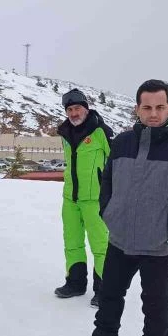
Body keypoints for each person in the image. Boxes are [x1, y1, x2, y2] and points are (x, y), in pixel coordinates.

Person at [68, 80, 168, 336]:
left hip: (160, 245)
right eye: (147, 107)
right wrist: (109, 212)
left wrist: (166, 226)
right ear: (137, 109)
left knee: (154, 304)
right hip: (120, 238)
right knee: (109, 295)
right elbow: (106, 180)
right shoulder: (122, 142)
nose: (153, 113)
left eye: (159, 107)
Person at [55, 89, 114, 307]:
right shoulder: (65, 133)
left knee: (100, 245)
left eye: (77, 108)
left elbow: (116, 162)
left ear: (86, 109)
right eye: (69, 109)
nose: (73, 113)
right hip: (70, 199)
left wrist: (111, 192)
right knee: (72, 242)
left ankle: (104, 290)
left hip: (95, 199)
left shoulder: (101, 132)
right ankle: (75, 283)